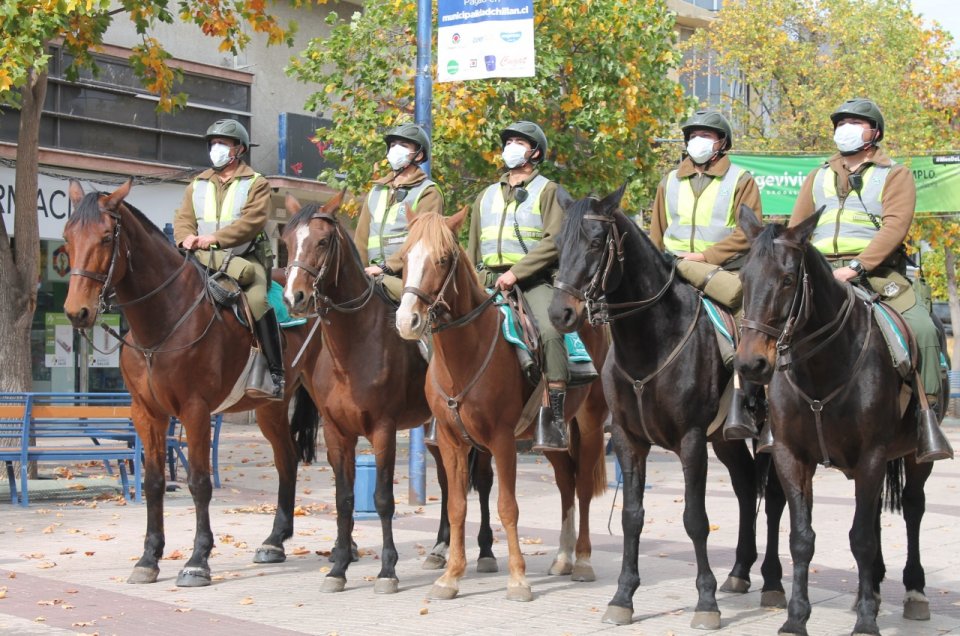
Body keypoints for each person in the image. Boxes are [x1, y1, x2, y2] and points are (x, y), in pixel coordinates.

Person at [790, 98, 951, 462]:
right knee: (769, 323)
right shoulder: (817, 176)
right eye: (840, 123)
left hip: (876, 274)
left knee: (924, 329)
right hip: (819, 273)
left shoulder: (895, 174)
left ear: (875, 132)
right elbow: (797, 228)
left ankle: (926, 417)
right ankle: (766, 413)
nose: (845, 129)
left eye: (855, 123)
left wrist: (857, 266)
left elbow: (894, 227)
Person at [649, 109, 766, 443]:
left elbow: (747, 233)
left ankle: (753, 404)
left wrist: (704, 257)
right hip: (672, 270)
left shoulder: (740, 180)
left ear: (722, 143)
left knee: (752, 326)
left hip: (723, 271)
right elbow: (656, 232)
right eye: (693, 135)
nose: (697, 141)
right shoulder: (669, 181)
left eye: (706, 135)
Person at [466, 121, 571, 451]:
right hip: (487, 280)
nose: (511, 147)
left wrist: (516, 272)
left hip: (531, 281)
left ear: (535, 153)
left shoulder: (548, 190)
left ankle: (553, 418)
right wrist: (471, 279)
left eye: (519, 142)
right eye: (508, 141)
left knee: (551, 331)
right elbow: (472, 246)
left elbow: (554, 241)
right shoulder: (485, 196)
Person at [173, 118, 284, 400]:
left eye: (222, 143)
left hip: (246, 257)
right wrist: (185, 237)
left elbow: (252, 222)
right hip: (202, 258)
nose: (216, 148)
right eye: (213, 143)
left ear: (239, 149)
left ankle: (274, 373)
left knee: (257, 301)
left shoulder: (256, 183)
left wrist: (216, 238)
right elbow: (183, 218)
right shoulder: (197, 184)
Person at [354, 123, 444, 299]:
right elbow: (361, 240)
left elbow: (423, 241)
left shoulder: (428, 192)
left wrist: (386, 267)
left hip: (408, 277)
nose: (396, 149)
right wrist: (358, 272)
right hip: (371, 274)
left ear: (419, 154)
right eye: (393, 145)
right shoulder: (376, 191)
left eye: (403, 145)